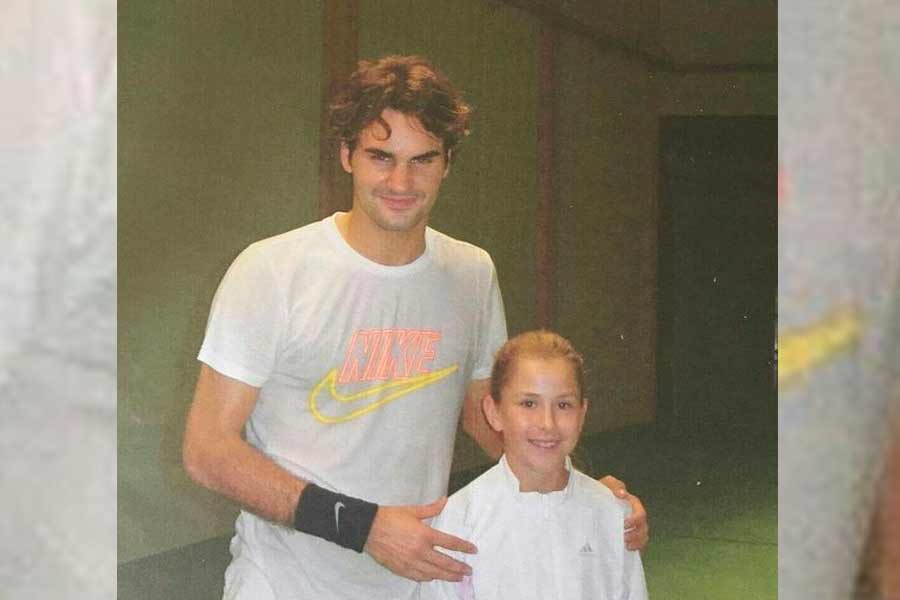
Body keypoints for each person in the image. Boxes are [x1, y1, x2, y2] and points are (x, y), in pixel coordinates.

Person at [182, 55, 648, 600]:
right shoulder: (271, 271)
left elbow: (491, 418)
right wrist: (364, 527)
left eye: (422, 160)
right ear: (346, 156)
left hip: (419, 583)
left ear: (447, 163)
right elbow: (207, 450)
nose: (400, 181)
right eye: (381, 157)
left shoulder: (472, 273)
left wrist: (585, 495)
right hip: (286, 583)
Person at [420, 330, 648, 600]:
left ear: (582, 414)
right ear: (494, 413)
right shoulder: (459, 521)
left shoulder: (611, 513)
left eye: (563, 404)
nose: (547, 423)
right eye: (529, 403)